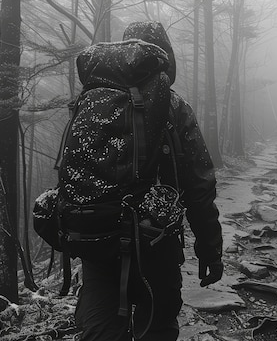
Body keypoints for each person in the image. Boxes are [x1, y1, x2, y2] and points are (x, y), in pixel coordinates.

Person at [74, 21, 224, 341]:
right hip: (156, 242)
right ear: (165, 58)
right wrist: (210, 250)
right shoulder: (174, 107)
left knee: (100, 331)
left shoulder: (94, 100)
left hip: (98, 239)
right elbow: (198, 185)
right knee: (157, 328)